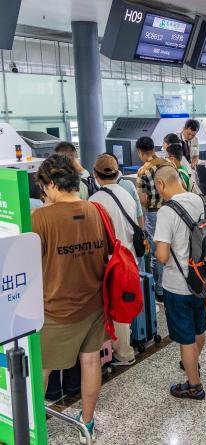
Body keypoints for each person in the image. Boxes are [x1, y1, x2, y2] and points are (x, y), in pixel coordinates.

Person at [33, 154, 109, 443]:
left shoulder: (40, 219)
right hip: (94, 303)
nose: (43, 193)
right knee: (91, 362)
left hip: (56, 309)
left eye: (43, 187)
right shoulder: (95, 210)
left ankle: (33, 428)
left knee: (41, 369)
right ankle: (87, 422)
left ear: (52, 184)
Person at [153, 166, 206, 399]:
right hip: (202, 279)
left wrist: (156, 248)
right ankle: (192, 362)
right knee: (199, 327)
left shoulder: (167, 211)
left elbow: (162, 256)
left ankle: (194, 386)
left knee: (185, 338)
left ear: (160, 185)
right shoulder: (202, 201)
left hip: (178, 285)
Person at [88, 154, 138, 367]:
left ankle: (124, 353)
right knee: (125, 304)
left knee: (116, 309)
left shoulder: (94, 201)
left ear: (95, 174)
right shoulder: (126, 194)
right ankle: (123, 346)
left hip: (110, 263)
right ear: (117, 173)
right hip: (129, 258)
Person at [136, 136, 171, 299]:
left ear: (140, 152)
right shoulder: (167, 163)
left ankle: (159, 289)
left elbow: (142, 199)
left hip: (154, 213)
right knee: (172, 245)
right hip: (171, 208)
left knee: (157, 251)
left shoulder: (143, 171)